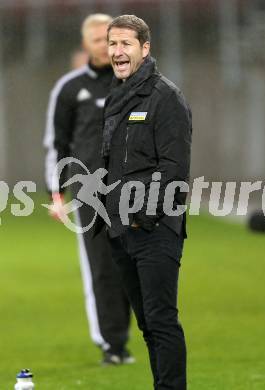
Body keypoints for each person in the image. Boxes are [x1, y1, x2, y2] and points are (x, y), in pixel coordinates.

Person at [101, 14, 192, 389]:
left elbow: (174, 167)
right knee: (147, 325)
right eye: (112, 44)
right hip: (122, 229)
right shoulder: (117, 94)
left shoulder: (165, 97)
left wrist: (144, 215)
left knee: (161, 320)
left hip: (154, 228)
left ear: (145, 48)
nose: (117, 51)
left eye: (125, 44)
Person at [43, 13, 133, 365]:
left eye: (111, 39)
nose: (106, 46)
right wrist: (56, 193)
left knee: (135, 263)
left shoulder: (135, 83)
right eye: (98, 40)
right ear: (86, 44)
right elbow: (57, 143)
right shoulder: (69, 88)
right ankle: (112, 344)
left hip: (133, 189)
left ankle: (134, 333)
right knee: (101, 267)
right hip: (88, 192)